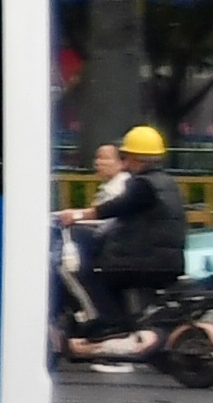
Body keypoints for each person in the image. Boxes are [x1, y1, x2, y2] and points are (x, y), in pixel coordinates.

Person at [54, 128, 189, 358]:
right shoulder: (167, 182)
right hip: (168, 261)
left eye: (125, 157)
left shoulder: (143, 185)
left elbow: (115, 207)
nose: (123, 162)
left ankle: (109, 323)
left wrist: (77, 215)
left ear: (137, 158)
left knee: (93, 273)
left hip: (143, 260)